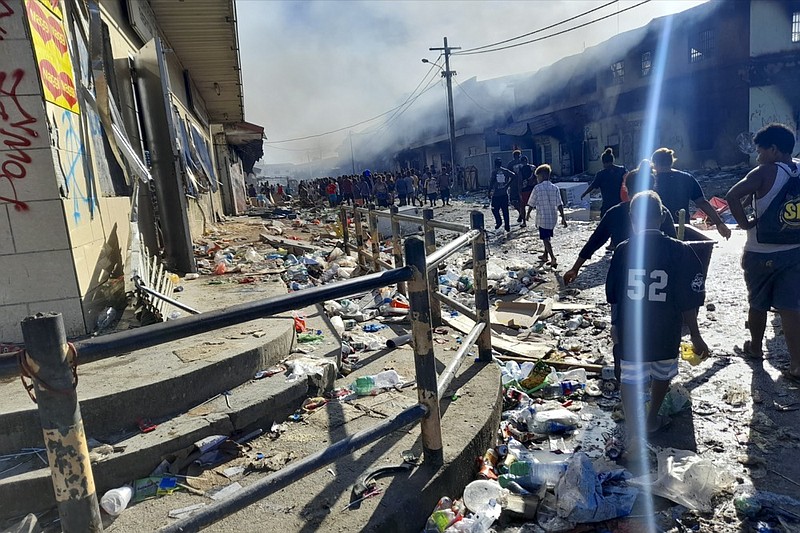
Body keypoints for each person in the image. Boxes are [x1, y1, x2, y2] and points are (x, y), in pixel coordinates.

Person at [606, 191, 708, 454]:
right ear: (663, 216)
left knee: (629, 378)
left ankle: (632, 430)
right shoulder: (680, 250)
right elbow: (689, 300)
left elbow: (614, 295)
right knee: (662, 374)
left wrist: (615, 326)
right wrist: (695, 335)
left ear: (632, 218)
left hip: (632, 330)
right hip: (666, 330)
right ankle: (651, 420)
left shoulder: (623, 250)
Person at [725, 123, 800, 382]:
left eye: (760, 151)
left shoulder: (764, 172)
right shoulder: (798, 168)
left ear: (774, 149)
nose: (758, 156)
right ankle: (797, 365)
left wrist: (744, 224)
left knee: (757, 303)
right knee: (790, 307)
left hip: (761, 251)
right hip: (795, 250)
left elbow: (732, 195)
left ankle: (755, 348)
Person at [564, 160, 676, 285]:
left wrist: (575, 268)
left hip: (626, 277)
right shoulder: (661, 211)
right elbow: (674, 243)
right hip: (660, 278)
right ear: (652, 189)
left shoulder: (615, 212)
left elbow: (595, 241)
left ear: (626, 189)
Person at [651, 148, 731, 240]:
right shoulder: (686, 178)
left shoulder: (651, 180)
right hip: (681, 228)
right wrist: (719, 223)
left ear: (655, 163)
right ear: (671, 161)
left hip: (657, 229)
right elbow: (702, 202)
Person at [526, 164, 567, 265]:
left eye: (537, 177)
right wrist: (563, 218)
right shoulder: (555, 188)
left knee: (545, 238)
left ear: (542, 176)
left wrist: (528, 214)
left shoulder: (537, 188)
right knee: (547, 236)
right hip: (553, 217)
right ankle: (545, 255)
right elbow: (560, 204)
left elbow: (531, 202)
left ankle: (553, 258)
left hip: (543, 217)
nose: (537, 179)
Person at [581, 148, 626, 217]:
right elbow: (629, 181)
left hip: (607, 207)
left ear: (603, 162)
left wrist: (584, 194)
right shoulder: (622, 170)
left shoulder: (601, 174)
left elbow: (593, 186)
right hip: (620, 205)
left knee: (605, 225)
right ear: (612, 160)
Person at [488, 157, 514, 233]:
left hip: (496, 195)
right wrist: (507, 185)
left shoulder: (494, 172)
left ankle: (499, 221)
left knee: (494, 209)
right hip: (504, 194)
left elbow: (491, 182)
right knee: (505, 211)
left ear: (495, 164)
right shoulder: (505, 171)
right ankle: (507, 226)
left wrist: (489, 192)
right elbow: (514, 176)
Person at [507, 150, 524, 224]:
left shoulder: (511, 164)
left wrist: (507, 184)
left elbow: (508, 174)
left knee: (513, 201)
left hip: (514, 185)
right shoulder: (523, 163)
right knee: (522, 201)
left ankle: (520, 213)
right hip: (523, 184)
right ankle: (521, 214)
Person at [518, 156, 535, 228]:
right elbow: (536, 178)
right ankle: (538, 221)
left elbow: (519, 181)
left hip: (524, 190)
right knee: (536, 205)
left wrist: (519, 192)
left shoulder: (520, 169)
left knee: (522, 206)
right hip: (532, 189)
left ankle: (524, 222)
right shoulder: (533, 168)